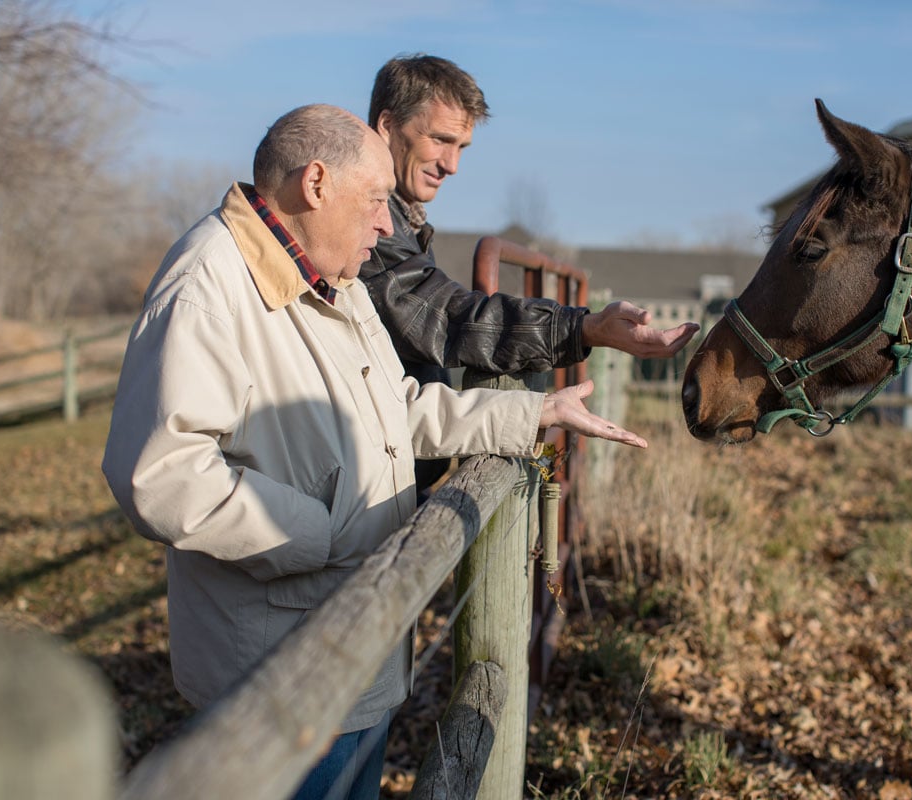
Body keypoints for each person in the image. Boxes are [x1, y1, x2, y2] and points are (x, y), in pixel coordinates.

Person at [100, 104, 646, 800]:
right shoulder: (208, 284)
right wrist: (322, 530)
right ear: (316, 184)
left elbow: (397, 410)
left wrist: (533, 410)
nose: (388, 225)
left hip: (354, 635)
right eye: (375, 201)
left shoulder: (336, 281)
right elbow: (161, 474)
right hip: (281, 667)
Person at [361, 54, 700, 490]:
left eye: (461, 147)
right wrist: (586, 328)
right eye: (440, 140)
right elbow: (443, 316)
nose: (452, 165)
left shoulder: (399, 217)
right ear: (387, 126)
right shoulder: (361, 222)